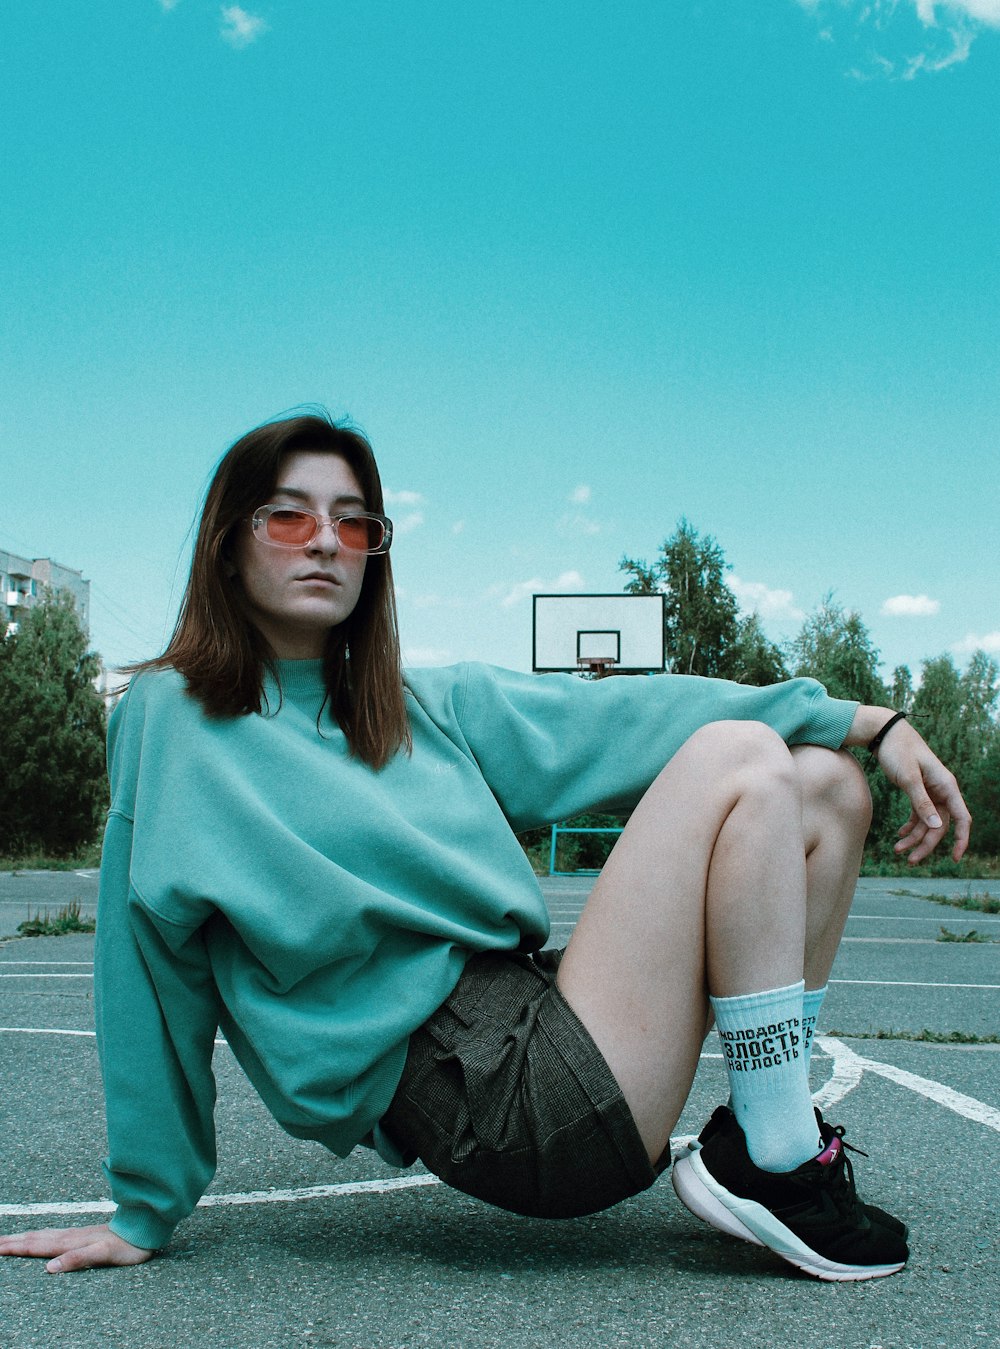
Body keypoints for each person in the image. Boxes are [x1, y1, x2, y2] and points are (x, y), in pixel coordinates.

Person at [0, 412, 971, 1282]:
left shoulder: (414, 704)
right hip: (492, 1099)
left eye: (355, 522)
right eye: (289, 516)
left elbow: (620, 711)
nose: (327, 541)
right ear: (228, 543)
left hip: (543, 1018)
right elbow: (145, 965)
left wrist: (867, 721)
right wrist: (144, 1203)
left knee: (825, 787)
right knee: (740, 760)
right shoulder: (173, 719)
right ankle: (774, 1158)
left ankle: (768, 1138)